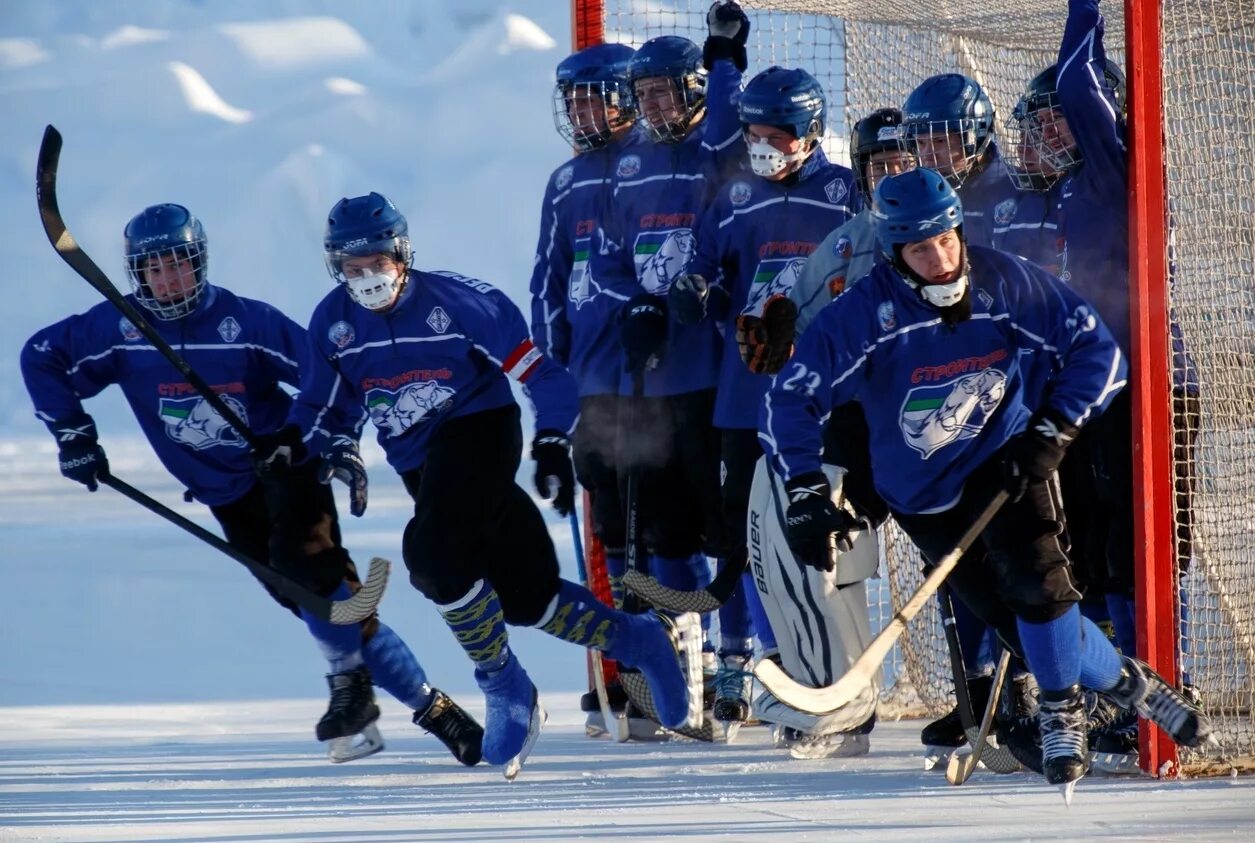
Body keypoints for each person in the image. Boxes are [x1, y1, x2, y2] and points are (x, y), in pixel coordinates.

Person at [759, 167, 1210, 792]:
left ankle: (1061, 714)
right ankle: (1131, 683)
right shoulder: (862, 315)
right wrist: (805, 488)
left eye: (947, 238)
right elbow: (789, 399)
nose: (940, 258)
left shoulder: (1006, 283)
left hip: (1007, 464)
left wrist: (1050, 432)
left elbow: (1099, 352)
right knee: (1023, 626)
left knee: (1042, 590)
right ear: (894, 254)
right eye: (920, 247)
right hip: (923, 496)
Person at [18, 203, 483, 767]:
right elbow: (41, 355)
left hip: (288, 468)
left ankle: (348, 691)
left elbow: (328, 374)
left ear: (200, 261)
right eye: (155, 269)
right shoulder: (117, 330)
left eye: (179, 265)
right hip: (228, 497)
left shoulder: (247, 323)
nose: (169, 281)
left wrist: (317, 438)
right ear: (138, 275)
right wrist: (73, 432)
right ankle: (433, 709)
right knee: (327, 606)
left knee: (308, 572)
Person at [260, 192, 692, 777]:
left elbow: (541, 375)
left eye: (377, 263)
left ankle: (505, 684)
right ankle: (639, 641)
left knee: (432, 556)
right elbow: (325, 405)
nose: (366, 279)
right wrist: (303, 443)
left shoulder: (461, 302)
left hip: (479, 430)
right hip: (420, 465)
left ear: (402, 254)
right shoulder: (332, 324)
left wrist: (551, 440)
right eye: (351, 268)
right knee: (527, 598)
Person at [999, 0, 1204, 772]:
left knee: (1137, 552)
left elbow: (1082, 81)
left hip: (1148, 386)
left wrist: (1084, 8)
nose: (1045, 135)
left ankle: (1163, 695)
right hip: (1085, 397)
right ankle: (1108, 698)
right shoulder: (1052, 196)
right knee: (1081, 551)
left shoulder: (1116, 162)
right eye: (1036, 124)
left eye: (1055, 123)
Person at [668, 64, 859, 739]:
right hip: (744, 396)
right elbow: (707, 272)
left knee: (821, 537)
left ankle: (833, 675)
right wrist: (694, 294)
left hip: (823, 397)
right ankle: (745, 663)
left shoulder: (844, 191)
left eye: (775, 135)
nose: (760, 146)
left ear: (809, 133)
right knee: (742, 540)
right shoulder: (734, 194)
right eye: (751, 133)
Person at [588, 19, 746, 711]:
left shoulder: (722, 149)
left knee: (726, 527)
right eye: (642, 94)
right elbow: (607, 259)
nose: (651, 107)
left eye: (663, 93)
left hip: (713, 375)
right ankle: (690, 649)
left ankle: (740, 652)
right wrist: (634, 306)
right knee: (665, 527)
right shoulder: (629, 165)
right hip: (650, 378)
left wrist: (724, 66)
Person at [530, 41, 640, 734]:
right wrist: (554, 370)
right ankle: (624, 667)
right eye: (571, 100)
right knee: (611, 531)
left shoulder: (654, 168)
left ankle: (701, 656)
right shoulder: (566, 180)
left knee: (670, 526)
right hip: (594, 382)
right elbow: (546, 281)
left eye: (592, 97)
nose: (580, 111)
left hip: (658, 379)